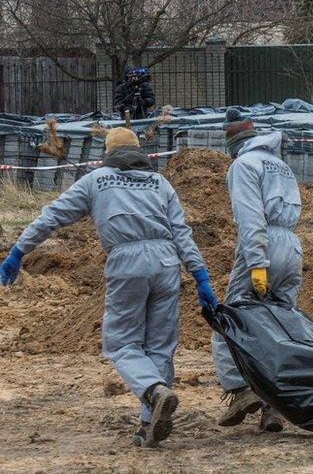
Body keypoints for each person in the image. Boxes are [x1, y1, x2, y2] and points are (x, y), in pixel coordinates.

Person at [0, 127, 217, 448]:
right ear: (140, 151)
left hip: (127, 261)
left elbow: (52, 216)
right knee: (160, 344)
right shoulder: (160, 183)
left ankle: (153, 390)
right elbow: (182, 233)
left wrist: (19, 250)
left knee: (121, 343)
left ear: (108, 152)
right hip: (166, 260)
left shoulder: (97, 180)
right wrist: (201, 277)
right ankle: (149, 422)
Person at [212, 108, 302, 433]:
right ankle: (273, 406)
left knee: (230, 321)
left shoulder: (243, 166)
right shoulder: (280, 165)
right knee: (277, 327)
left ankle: (240, 390)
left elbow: (252, 220)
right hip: (292, 248)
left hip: (264, 248)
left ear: (232, 142)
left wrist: (257, 264)